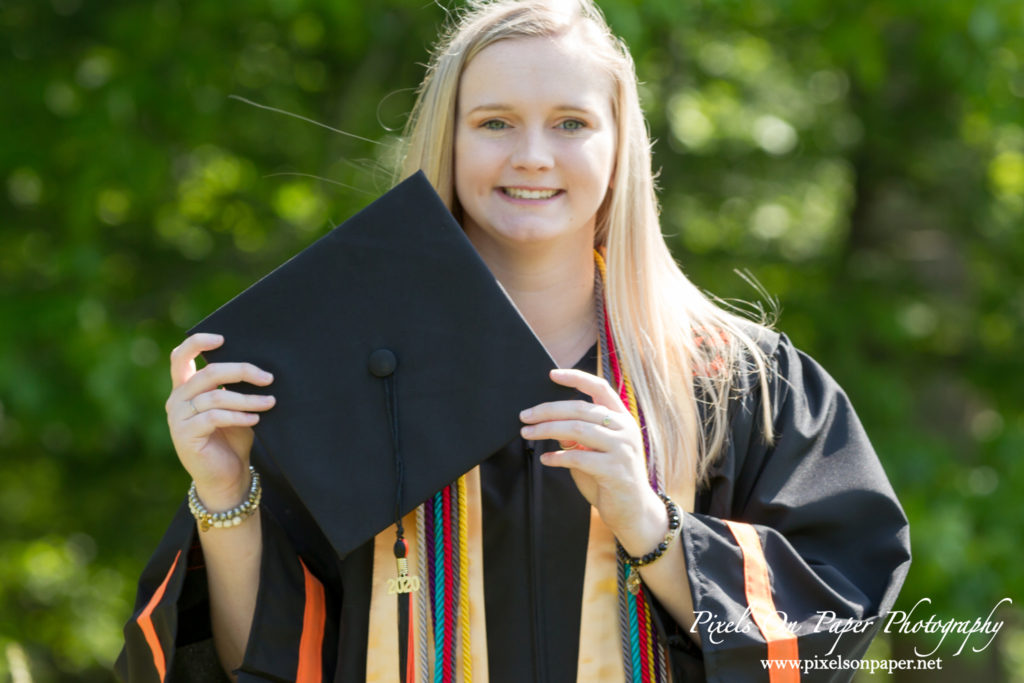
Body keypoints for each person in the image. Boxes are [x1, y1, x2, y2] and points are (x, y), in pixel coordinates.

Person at [117, 1, 911, 681]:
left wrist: (652, 524)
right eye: (495, 122)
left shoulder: (731, 379)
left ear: (618, 148)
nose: (532, 155)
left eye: (571, 123)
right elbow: (248, 657)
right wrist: (224, 497)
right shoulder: (342, 365)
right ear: (451, 141)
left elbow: (827, 627)